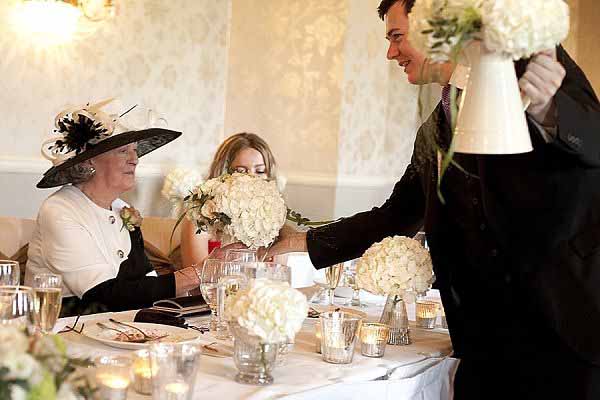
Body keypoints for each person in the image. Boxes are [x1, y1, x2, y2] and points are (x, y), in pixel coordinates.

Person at [267, 0, 600, 398]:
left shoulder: (526, 60)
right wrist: (298, 243)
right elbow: (395, 216)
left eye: (396, 36)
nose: (391, 52)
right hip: (483, 344)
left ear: (434, 24)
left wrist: (546, 108)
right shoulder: (436, 126)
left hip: (566, 331)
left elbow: (593, 141)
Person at [26, 101, 200, 316]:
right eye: (123, 151)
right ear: (90, 161)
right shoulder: (60, 210)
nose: (135, 160)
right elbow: (101, 296)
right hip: (62, 331)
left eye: (135, 151)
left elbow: (145, 284)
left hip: (117, 327)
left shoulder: (123, 209)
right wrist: (196, 275)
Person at [180, 133, 279, 269]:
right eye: (240, 171)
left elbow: (278, 275)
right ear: (223, 173)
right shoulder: (201, 216)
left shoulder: (274, 219)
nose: (251, 178)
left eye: (260, 171)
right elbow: (196, 283)